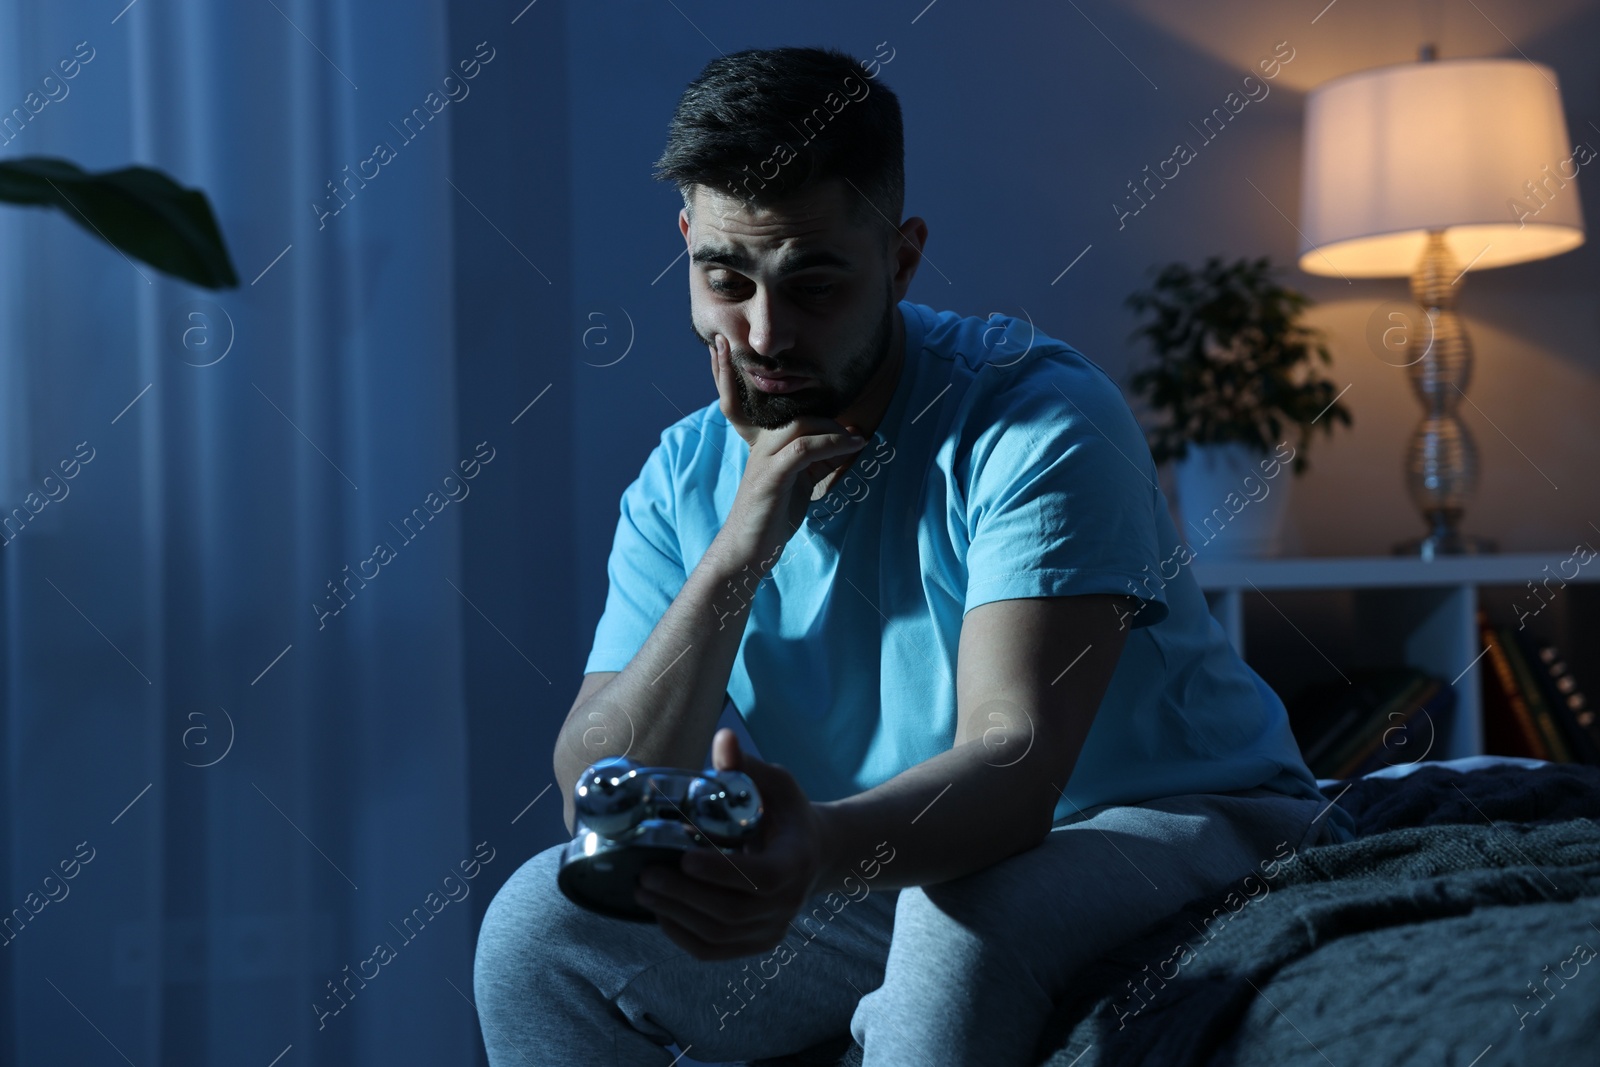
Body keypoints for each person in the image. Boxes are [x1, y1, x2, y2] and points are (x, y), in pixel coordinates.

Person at [473, 44, 1356, 1067]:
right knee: (533, 929)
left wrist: (820, 850)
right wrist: (740, 545)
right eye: (726, 279)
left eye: (814, 284)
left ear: (900, 258)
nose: (764, 332)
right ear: (685, 243)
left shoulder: (1036, 422)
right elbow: (599, 782)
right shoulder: (683, 476)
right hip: (884, 861)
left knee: (953, 919)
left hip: (1167, 824)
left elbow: (1013, 763)